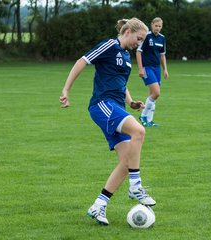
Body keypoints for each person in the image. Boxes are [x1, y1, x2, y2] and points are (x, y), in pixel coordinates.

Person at [59, 17, 156, 226]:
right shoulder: (110, 45)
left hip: (116, 107)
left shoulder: (126, 56)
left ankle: (98, 206)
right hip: (102, 105)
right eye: (138, 39)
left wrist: (130, 102)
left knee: (126, 161)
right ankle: (135, 185)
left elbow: (121, 83)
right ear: (128, 31)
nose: (138, 44)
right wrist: (66, 89)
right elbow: (81, 61)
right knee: (139, 131)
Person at [136, 17, 169, 127]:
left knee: (153, 94)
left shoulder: (162, 38)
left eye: (160, 26)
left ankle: (149, 120)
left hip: (156, 68)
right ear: (152, 25)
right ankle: (143, 116)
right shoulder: (146, 36)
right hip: (147, 68)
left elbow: (162, 55)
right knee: (156, 93)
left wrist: (165, 69)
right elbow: (138, 52)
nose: (158, 28)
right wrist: (140, 68)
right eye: (156, 26)